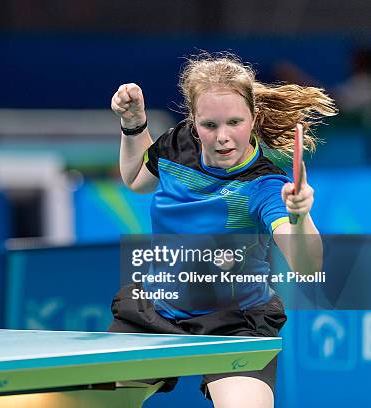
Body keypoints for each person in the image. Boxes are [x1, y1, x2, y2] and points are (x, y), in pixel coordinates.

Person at [109, 53, 337, 408]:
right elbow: (138, 180)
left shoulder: (264, 184)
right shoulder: (176, 143)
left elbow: (308, 266)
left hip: (234, 322)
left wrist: (299, 217)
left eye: (235, 122)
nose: (223, 137)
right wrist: (134, 125)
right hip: (155, 310)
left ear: (253, 117)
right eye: (210, 125)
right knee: (83, 400)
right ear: (193, 122)